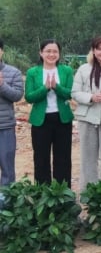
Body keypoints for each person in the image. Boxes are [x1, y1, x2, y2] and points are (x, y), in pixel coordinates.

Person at [71, 36, 101, 191]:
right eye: (99, 49)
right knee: (88, 158)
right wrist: (91, 97)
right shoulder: (84, 69)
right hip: (87, 118)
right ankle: (88, 192)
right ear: (93, 51)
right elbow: (75, 92)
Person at [24, 39, 74, 187]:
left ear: (59, 54)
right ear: (41, 53)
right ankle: (42, 194)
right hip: (41, 120)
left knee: (63, 158)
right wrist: (45, 88)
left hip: (62, 119)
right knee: (41, 158)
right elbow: (29, 97)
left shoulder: (66, 71)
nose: (51, 54)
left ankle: (63, 194)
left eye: (55, 51)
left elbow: (70, 93)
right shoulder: (33, 72)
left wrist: (56, 87)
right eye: (48, 51)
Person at [0, 39, 24, 186]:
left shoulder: (13, 72)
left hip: (5, 126)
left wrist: (2, 85)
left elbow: (17, 96)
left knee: (7, 166)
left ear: (2, 51)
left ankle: (6, 203)